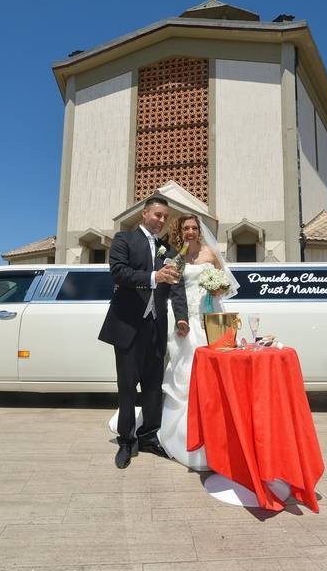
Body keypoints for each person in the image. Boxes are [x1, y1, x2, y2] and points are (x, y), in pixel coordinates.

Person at [98, 196, 188, 469]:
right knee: (127, 387)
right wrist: (152, 277)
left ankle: (149, 436)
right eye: (158, 215)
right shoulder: (123, 240)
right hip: (128, 325)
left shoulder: (169, 249)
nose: (162, 221)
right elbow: (119, 273)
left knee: (153, 387)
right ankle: (127, 441)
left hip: (155, 327)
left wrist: (181, 319)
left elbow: (177, 287)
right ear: (145, 213)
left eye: (165, 217)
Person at [157, 214, 239, 470]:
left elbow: (227, 285)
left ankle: (216, 429)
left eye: (194, 227)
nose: (190, 231)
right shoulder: (177, 257)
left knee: (213, 373)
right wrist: (181, 318)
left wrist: (217, 289)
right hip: (186, 321)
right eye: (186, 228)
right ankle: (178, 434)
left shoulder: (211, 254)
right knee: (183, 372)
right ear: (181, 232)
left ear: (199, 231)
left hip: (210, 319)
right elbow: (173, 290)